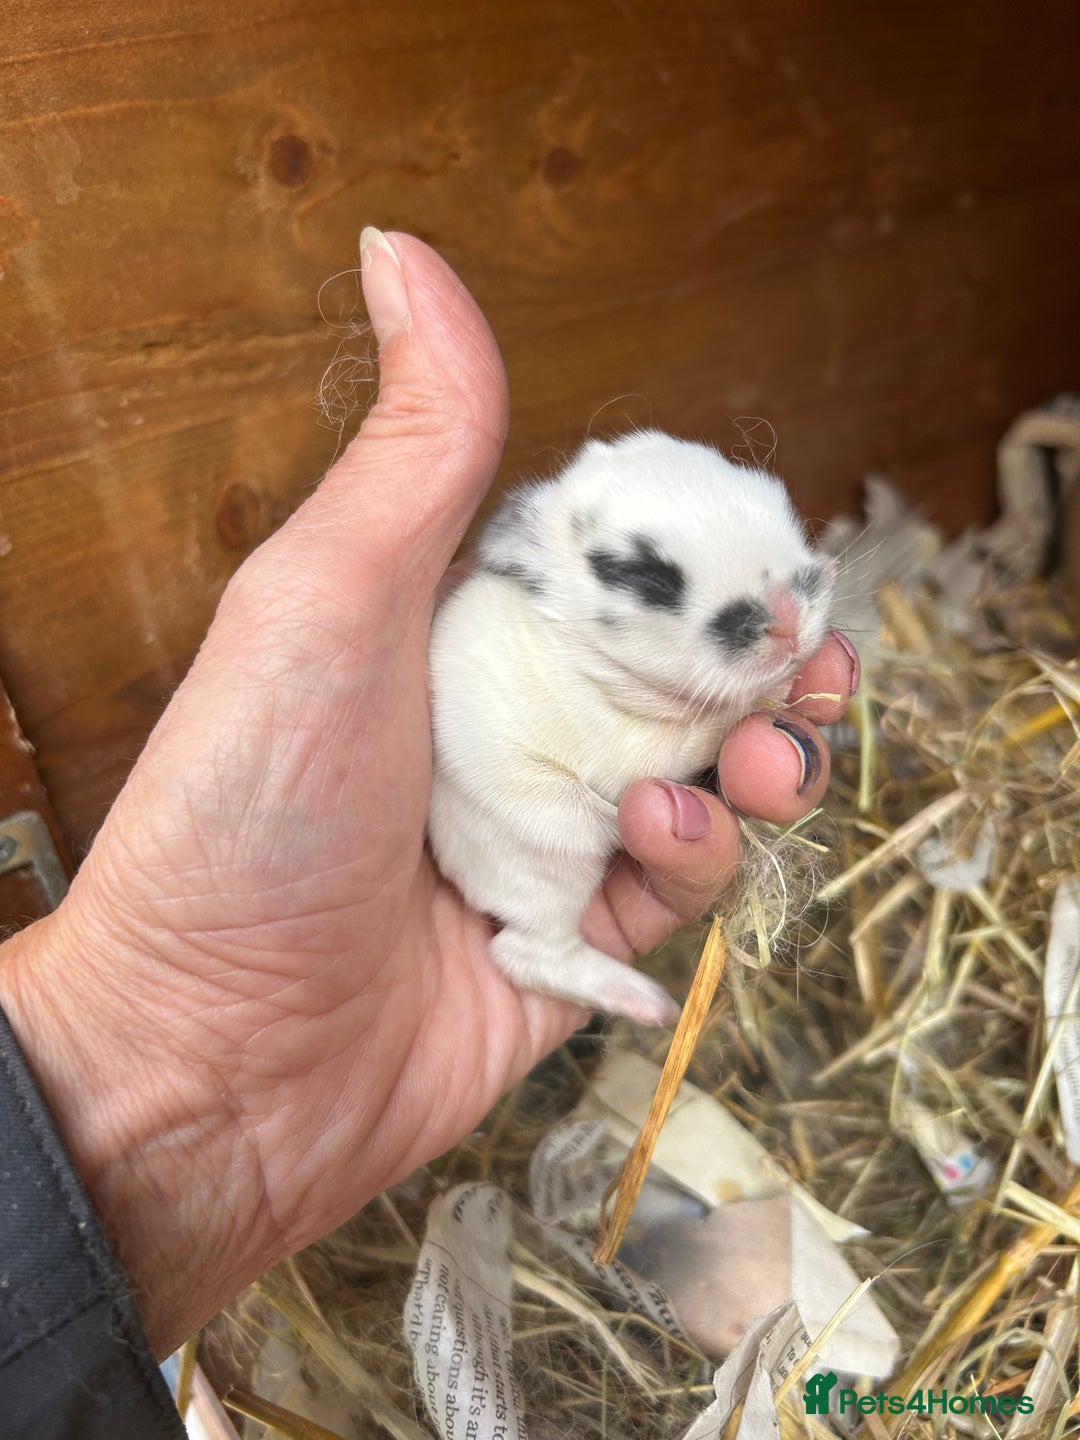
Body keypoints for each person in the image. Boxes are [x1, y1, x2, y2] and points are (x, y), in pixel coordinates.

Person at [0, 230, 859, 1438]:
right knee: (602, 815)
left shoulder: (628, 610)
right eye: (703, 605)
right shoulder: (538, 653)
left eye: (798, 572)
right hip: (515, 809)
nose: (786, 627)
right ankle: (539, 946)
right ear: (558, 574)